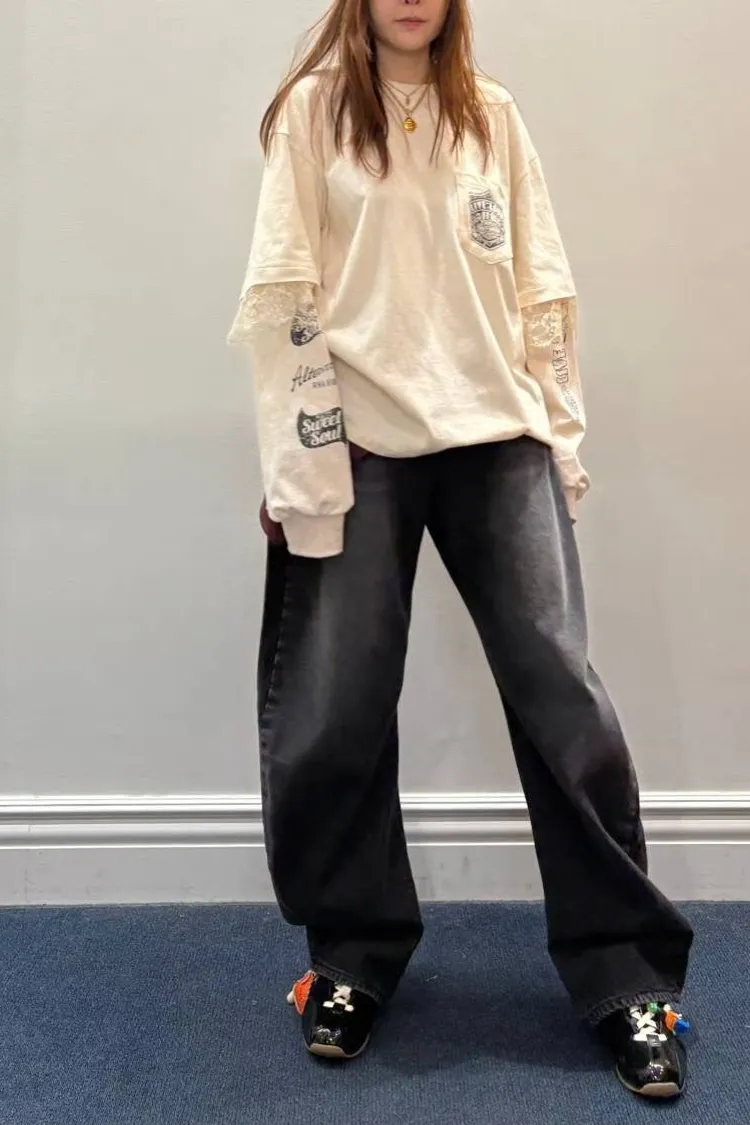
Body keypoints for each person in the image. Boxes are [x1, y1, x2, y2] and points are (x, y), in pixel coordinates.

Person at [227, 0, 694, 1099]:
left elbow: (542, 288)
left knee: (563, 698)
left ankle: (627, 975)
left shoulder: (492, 115)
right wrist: (302, 468)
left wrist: (560, 441)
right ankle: (354, 956)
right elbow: (286, 299)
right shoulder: (313, 114)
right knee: (338, 708)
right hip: (359, 442)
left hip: (500, 437)